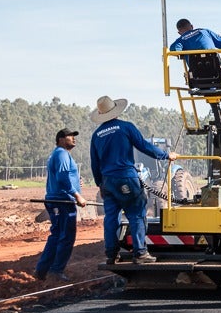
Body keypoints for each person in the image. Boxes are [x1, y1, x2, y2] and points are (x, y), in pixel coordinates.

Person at [89, 96, 178, 265]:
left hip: (107, 182)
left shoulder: (96, 135)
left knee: (111, 218)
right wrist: (166, 155)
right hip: (126, 178)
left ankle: (111, 255)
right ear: (115, 111)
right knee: (136, 214)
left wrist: (99, 183)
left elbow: (95, 163)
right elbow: (144, 146)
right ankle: (141, 253)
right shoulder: (125, 127)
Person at [35, 128, 89, 281]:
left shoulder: (58, 154)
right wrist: (77, 195)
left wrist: (77, 183)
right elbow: (63, 178)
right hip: (62, 201)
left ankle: (42, 270)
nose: (73, 138)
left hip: (57, 199)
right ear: (60, 139)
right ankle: (56, 270)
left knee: (57, 235)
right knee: (66, 236)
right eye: (70, 136)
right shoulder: (62, 154)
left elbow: (64, 177)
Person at [170, 18, 221, 124]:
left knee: (207, 84)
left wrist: (183, 52)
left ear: (179, 32)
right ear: (191, 26)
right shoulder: (204, 31)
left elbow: (174, 50)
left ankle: (219, 112)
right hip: (217, 73)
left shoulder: (181, 40)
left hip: (197, 77)